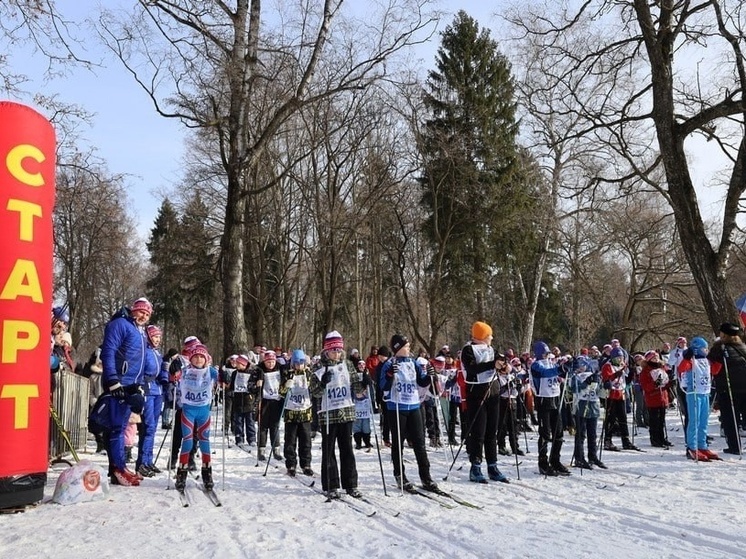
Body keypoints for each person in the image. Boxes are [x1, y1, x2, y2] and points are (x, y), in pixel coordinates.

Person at [100, 297, 152, 486]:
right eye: (141, 311)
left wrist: (140, 384)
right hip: (119, 383)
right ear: (133, 310)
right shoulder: (120, 324)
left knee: (122, 426)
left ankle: (120, 466)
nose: (143, 316)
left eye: (147, 314)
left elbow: (140, 361)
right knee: (116, 428)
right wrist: (112, 379)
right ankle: (117, 468)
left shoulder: (140, 332)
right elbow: (108, 350)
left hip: (131, 384)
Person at [379, 334, 440, 491]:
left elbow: (421, 380)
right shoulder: (389, 364)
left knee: (419, 443)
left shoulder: (413, 363)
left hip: (413, 406)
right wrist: (390, 375)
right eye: (406, 346)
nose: (409, 348)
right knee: (398, 443)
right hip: (397, 407)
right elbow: (383, 386)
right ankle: (400, 476)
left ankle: (426, 477)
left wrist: (430, 376)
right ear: (397, 349)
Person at [310, 330, 365, 499]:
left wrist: (365, 383)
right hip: (328, 414)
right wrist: (322, 383)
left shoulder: (348, 365)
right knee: (329, 450)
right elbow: (315, 393)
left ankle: (351, 484)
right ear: (326, 350)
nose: (337, 353)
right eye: (333, 350)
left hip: (346, 412)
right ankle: (331, 484)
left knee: (347, 449)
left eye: (339, 349)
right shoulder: (319, 367)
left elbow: (357, 389)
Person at [460, 321, 509, 483]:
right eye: (489, 335)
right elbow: (472, 368)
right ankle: (475, 467)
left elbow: (497, 365)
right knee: (478, 432)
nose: (492, 338)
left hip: (493, 391)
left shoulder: (491, 349)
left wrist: (503, 367)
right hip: (477, 393)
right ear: (482, 336)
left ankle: (492, 466)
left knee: (492, 432)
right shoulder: (468, 350)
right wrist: (492, 364)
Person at [174, 343, 218, 490]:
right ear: (191, 358)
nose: (199, 359)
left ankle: (207, 473)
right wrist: (172, 370)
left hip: (203, 410)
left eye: (202, 356)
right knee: (187, 441)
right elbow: (173, 376)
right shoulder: (185, 371)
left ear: (206, 359)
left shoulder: (210, 371)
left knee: (204, 440)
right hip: (188, 411)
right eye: (196, 356)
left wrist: (225, 376)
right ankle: (182, 473)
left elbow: (224, 380)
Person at [531, 341, 570, 476]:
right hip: (543, 400)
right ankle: (543, 462)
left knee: (558, 432)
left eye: (548, 353)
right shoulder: (536, 365)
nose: (547, 355)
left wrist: (569, 367)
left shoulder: (551, 363)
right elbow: (546, 373)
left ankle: (555, 460)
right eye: (545, 353)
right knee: (545, 433)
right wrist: (560, 369)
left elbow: (559, 374)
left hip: (555, 399)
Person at [708, 323, 746, 455]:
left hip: (728, 388)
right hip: (744, 388)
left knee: (730, 419)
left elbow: (714, 368)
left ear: (723, 334)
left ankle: (734, 447)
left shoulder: (720, 348)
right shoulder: (743, 347)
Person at [678, 337, 718, 461]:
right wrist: (686, 357)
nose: (706, 350)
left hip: (705, 392)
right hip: (694, 393)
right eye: (703, 348)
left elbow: (715, 370)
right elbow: (681, 369)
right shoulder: (692, 360)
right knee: (694, 421)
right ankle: (692, 447)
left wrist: (719, 357)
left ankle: (702, 445)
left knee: (703, 421)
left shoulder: (706, 360)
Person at [136, 325, 168, 477]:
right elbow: (139, 370)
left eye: (159, 337)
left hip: (158, 390)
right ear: (148, 336)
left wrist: (166, 374)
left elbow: (161, 372)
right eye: (155, 336)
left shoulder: (157, 353)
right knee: (148, 426)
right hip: (147, 389)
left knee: (154, 427)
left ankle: (148, 460)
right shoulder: (144, 351)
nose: (157, 339)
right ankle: (142, 462)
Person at [280, 349, 314, 476]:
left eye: (301, 362)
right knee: (290, 440)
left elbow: (314, 389)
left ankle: (306, 464)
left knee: (306, 441)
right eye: (297, 363)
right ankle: (291, 464)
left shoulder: (308, 374)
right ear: (292, 363)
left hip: (305, 412)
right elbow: (281, 392)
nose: (299, 365)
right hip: (291, 413)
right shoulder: (287, 374)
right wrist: (286, 386)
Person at [601, 347, 640, 452]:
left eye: (621, 357)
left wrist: (631, 373)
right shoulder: (607, 366)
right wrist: (615, 375)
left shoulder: (623, 365)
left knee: (623, 418)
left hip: (621, 394)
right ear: (613, 358)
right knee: (611, 418)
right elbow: (606, 378)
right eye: (617, 358)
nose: (620, 360)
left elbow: (626, 380)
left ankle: (625, 440)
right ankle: (607, 440)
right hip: (611, 395)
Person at [569, 355, 605, 469]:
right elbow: (574, 389)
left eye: (583, 366)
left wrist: (605, 386)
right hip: (581, 405)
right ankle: (579, 457)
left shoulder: (593, 375)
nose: (581, 368)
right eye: (579, 366)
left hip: (593, 406)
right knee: (581, 434)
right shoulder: (575, 377)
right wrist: (585, 383)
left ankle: (592, 456)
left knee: (592, 434)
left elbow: (600, 391)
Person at [254, 350, 286, 462]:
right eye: (268, 362)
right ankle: (261, 449)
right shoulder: (259, 370)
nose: (270, 364)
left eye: (272, 362)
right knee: (263, 426)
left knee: (275, 426)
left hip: (277, 400)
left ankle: (276, 449)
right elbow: (252, 384)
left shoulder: (281, 368)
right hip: (264, 401)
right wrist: (256, 385)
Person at [639, 350, 672, 449]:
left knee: (661, 420)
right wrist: (655, 384)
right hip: (653, 398)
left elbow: (665, 382)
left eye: (657, 357)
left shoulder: (661, 368)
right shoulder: (645, 371)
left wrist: (669, 382)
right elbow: (645, 387)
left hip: (662, 397)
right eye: (653, 358)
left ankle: (661, 438)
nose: (656, 359)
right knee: (654, 420)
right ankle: (654, 439)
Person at [230, 354, 257, 447]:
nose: (236, 365)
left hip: (248, 400)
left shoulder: (251, 372)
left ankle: (252, 438)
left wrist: (253, 389)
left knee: (250, 421)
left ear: (243, 364)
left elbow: (254, 386)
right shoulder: (234, 373)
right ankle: (239, 438)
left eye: (238, 363)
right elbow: (232, 386)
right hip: (237, 399)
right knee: (238, 421)